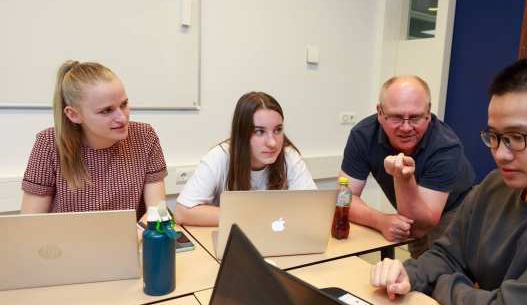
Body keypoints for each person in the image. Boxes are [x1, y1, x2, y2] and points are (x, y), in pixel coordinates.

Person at [370, 56, 527, 305]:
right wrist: (411, 274)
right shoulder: (496, 185)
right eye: (494, 137)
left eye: (517, 138)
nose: (501, 154)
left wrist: (441, 283)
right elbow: (446, 254)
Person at [21, 61, 167, 229]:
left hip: (132, 243)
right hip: (69, 248)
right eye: (106, 110)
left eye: (124, 104)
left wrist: (130, 240)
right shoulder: (48, 144)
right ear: (74, 115)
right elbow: (30, 225)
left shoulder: (144, 136)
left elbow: (158, 212)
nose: (122, 117)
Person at [340, 75, 475, 258]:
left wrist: (403, 179)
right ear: (380, 112)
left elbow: (420, 227)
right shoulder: (363, 135)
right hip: (411, 212)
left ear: (428, 113)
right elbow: (344, 198)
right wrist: (381, 221)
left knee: (439, 274)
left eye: (415, 118)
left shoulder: (445, 146)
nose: (405, 127)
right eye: (396, 117)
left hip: (455, 210)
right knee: (417, 270)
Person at [174, 91, 317, 226]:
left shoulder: (289, 156)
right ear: (241, 134)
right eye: (259, 132)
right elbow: (182, 213)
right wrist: (253, 216)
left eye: (278, 130)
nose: (272, 143)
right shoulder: (220, 157)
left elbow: (313, 208)